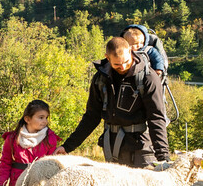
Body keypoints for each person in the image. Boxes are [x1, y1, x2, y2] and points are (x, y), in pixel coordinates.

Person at [62, 36, 170, 167]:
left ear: (130, 51)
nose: (123, 67)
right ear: (107, 58)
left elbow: (156, 118)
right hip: (112, 147)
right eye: (117, 64)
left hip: (142, 148)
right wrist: (67, 147)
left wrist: (163, 157)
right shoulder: (100, 78)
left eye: (126, 61)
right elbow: (91, 116)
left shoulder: (148, 78)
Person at [0, 99, 60, 186]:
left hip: (39, 184)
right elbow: (5, 162)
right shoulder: (12, 138)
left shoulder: (50, 139)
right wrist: (1, 184)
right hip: (16, 184)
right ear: (27, 119)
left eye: (46, 117)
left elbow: (51, 165)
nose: (45, 121)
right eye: (41, 117)